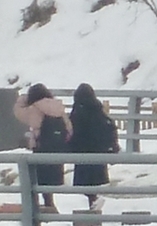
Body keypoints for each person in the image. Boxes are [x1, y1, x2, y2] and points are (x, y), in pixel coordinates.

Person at [12, 83, 71, 212]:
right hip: (56, 149)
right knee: (49, 179)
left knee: (36, 178)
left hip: (41, 147)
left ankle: (38, 207)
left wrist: (23, 99)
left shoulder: (35, 108)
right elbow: (69, 128)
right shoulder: (58, 107)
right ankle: (49, 204)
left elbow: (19, 113)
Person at [68, 83, 118, 211]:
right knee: (94, 184)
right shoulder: (98, 110)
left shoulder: (77, 112)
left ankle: (92, 205)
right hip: (98, 152)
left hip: (82, 153)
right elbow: (108, 127)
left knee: (84, 185)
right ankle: (94, 203)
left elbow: (72, 131)